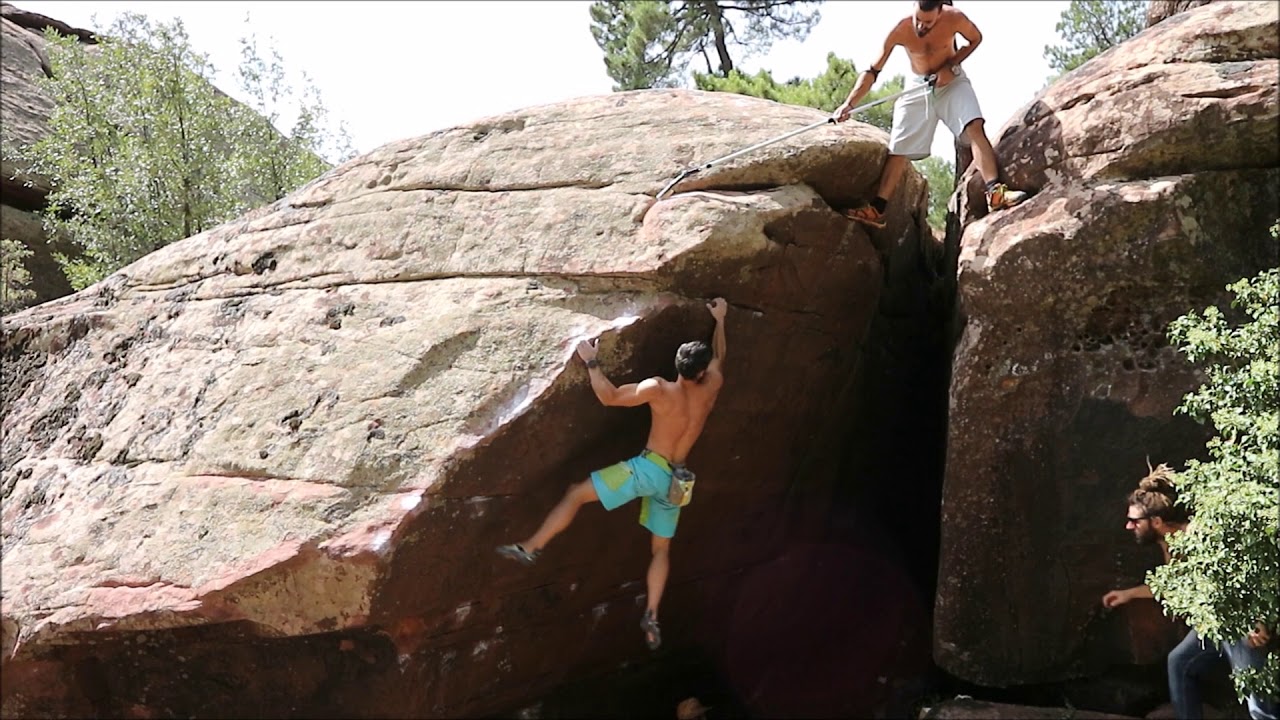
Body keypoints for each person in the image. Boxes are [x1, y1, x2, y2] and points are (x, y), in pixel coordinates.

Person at [497, 298, 729, 651]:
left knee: (576, 493)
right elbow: (719, 356)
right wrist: (721, 320)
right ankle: (651, 611)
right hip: (677, 481)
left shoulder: (659, 389)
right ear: (701, 372)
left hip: (647, 470)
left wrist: (591, 361)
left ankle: (531, 546)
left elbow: (610, 397)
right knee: (660, 550)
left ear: (678, 366)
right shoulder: (711, 385)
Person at [1101, 463, 1278, 720]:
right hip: (1212, 623)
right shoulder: (1167, 543)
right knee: (1179, 663)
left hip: (1238, 623)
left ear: (1157, 521)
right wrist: (1128, 594)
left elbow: (1244, 573)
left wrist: (1256, 619)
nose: (1129, 527)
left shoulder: (1197, 536)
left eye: (1134, 521)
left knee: (1259, 706)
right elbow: (1173, 585)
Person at [833, 0, 1027, 229]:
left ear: (940, 12)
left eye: (928, 22)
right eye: (918, 19)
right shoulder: (900, 29)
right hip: (918, 85)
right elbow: (873, 71)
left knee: (974, 126)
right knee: (899, 147)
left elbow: (976, 38)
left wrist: (951, 65)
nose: (921, 26)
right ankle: (877, 209)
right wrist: (848, 104)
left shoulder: (955, 18)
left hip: (951, 82)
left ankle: (994, 193)